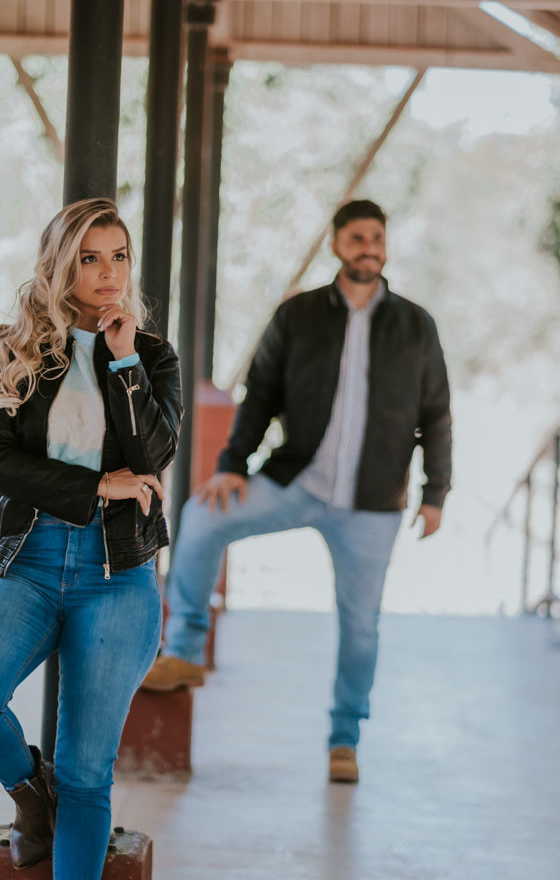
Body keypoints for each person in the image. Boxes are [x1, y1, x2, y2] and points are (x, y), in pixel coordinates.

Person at [0, 198, 182, 880]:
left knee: (87, 769)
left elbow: (154, 451)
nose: (108, 273)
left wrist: (123, 363)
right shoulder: (18, 349)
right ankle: (28, 791)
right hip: (30, 561)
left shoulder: (151, 355)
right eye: (89, 257)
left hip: (118, 576)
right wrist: (96, 485)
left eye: (119, 256)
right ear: (60, 264)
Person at [143, 200, 451, 784]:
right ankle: (183, 650)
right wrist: (233, 465)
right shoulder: (299, 314)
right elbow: (260, 392)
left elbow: (436, 413)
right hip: (297, 482)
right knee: (202, 516)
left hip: (371, 504)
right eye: (357, 238)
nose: (369, 247)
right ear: (336, 244)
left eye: (377, 238)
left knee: (361, 627)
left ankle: (344, 740)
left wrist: (436, 492)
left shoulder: (416, 324)